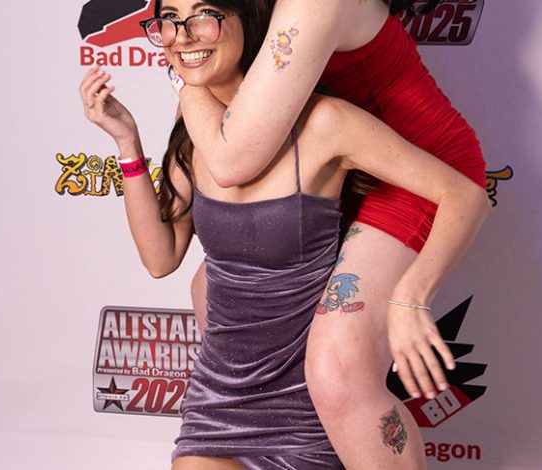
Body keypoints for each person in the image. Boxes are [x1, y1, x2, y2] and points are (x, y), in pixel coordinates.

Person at [79, 0, 489, 468]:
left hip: (416, 165)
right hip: (224, 405)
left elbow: (231, 162)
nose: (184, 34)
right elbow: (160, 256)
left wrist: (410, 297)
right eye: (169, 21)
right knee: (208, 287)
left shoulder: (317, 113)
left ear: (244, 20)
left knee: (338, 368)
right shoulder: (200, 121)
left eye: (203, 16)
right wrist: (128, 142)